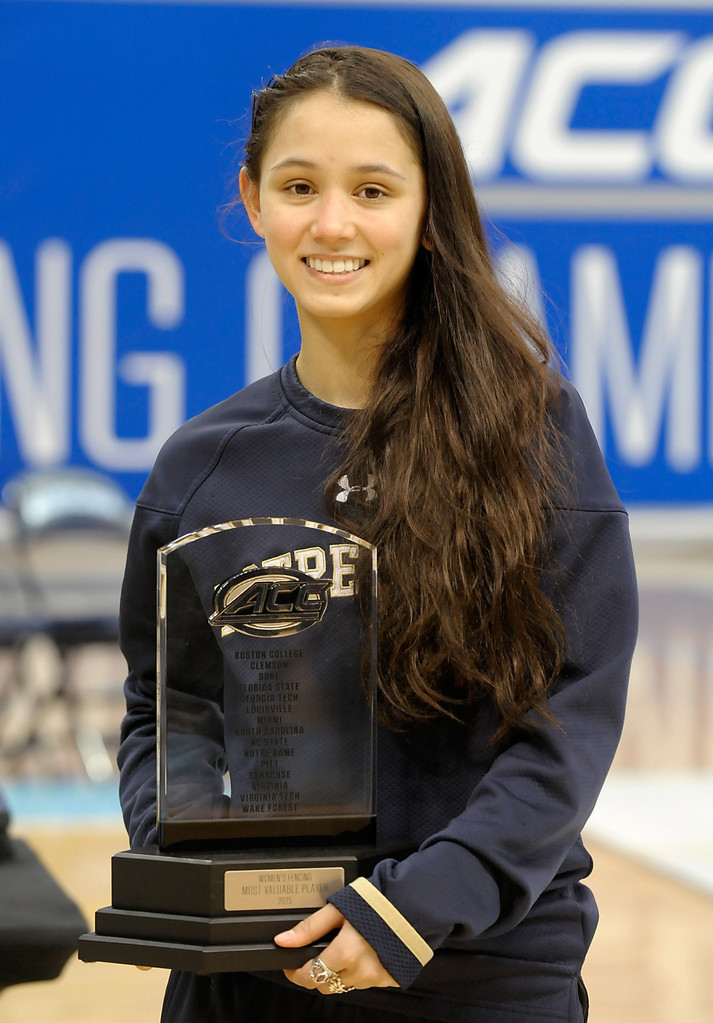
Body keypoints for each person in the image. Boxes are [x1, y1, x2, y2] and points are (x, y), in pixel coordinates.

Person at [117, 44, 638, 1023]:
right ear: (252, 198)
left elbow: (565, 722)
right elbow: (162, 713)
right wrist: (179, 867)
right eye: (300, 185)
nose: (331, 223)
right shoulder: (198, 466)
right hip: (249, 979)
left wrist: (420, 903)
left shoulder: (531, 435)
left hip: (477, 970)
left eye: (371, 189)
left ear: (427, 207)